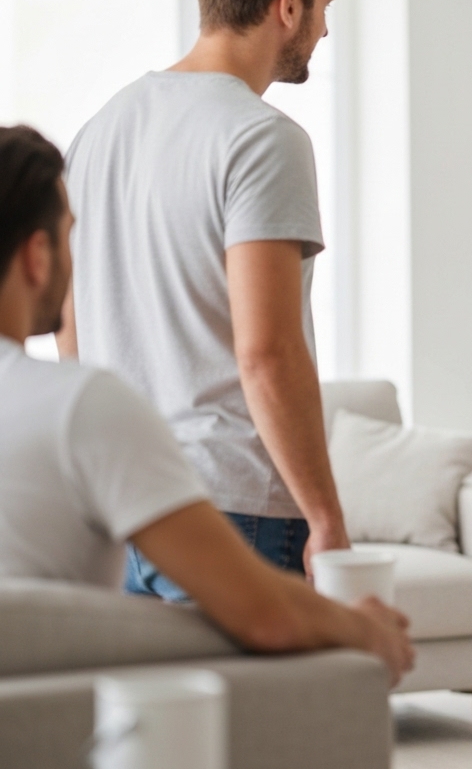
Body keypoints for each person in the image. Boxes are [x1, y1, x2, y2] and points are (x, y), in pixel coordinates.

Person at [0, 125, 414, 684]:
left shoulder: (102, 130)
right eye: (71, 236)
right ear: (38, 255)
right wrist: (366, 629)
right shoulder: (80, 405)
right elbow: (265, 616)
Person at [59, 0, 350, 599]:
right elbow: (268, 353)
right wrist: (326, 517)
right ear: (288, 6)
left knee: (158, 711)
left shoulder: (99, 131)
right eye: (323, 6)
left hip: (125, 500)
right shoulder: (262, 138)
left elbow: (71, 331)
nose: (325, 28)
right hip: (234, 505)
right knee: (256, 712)